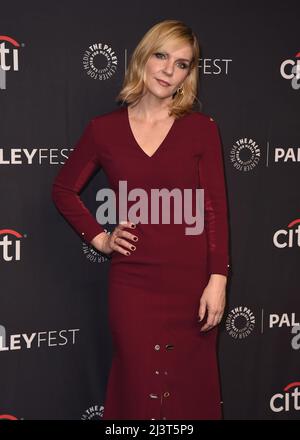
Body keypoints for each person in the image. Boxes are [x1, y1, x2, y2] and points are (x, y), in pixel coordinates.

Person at [51, 19, 230, 420]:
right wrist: (100, 238)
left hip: (192, 283)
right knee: (137, 386)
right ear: (143, 59)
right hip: (133, 283)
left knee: (192, 388)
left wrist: (217, 280)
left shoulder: (202, 129)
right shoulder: (104, 130)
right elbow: (63, 189)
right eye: (161, 56)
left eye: (182, 64)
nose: (169, 70)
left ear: (189, 74)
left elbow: (214, 209)